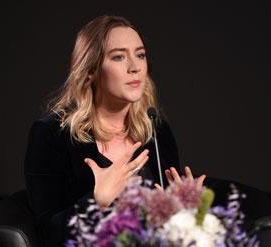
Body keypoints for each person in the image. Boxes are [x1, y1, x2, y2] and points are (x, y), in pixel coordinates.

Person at [24, 15, 205, 247]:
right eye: (119, 57)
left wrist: (187, 214)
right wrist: (96, 202)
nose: (135, 67)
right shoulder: (51, 134)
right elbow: (45, 235)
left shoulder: (155, 129)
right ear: (91, 70)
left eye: (140, 55)